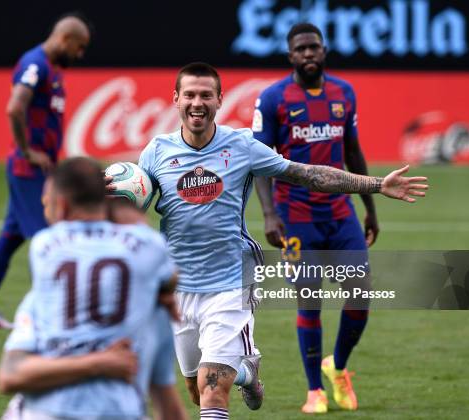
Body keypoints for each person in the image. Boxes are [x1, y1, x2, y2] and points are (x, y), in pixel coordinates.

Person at [107, 62, 427, 420]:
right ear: (176, 99)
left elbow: (308, 175)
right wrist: (103, 202)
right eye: (190, 95)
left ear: (219, 100)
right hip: (179, 285)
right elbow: (131, 205)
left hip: (231, 281)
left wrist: (376, 184)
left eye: (206, 95)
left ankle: (232, 374)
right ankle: (247, 372)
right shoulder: (155, 152)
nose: (198, 103)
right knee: (196, 389)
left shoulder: (242, 145)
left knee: (213, 394)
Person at [252, 22, 381, 413]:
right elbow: (260, 164)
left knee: (360, 297)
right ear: (290, 56)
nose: (308, 54)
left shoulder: (345, 93)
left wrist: (370, 207)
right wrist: (270, 215)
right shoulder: (272, 98)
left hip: (340, 214)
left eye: (314, 47)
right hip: (295, 217)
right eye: (301, 49)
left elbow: (353, 153)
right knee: (309, 301)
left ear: (324, 52)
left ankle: (337, 367)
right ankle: (314, 392)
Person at [0, 157, 187, 420]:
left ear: (61, 206)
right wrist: (163, 292)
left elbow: (9, 376)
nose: (43, 206)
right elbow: (168, 274)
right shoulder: (150, 253)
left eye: (47, 200)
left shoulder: (44, 247)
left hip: (48, 410)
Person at [0, 14, 91, 328]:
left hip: (36, 168)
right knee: (47, 241)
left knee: (10, 237)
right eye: (79, 48)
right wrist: (27, 150)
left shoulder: (50, 69)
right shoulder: (35, 64)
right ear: (65, 39)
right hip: (27, 170)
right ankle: (50, 315)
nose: (80, 55)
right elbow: (14, 107)